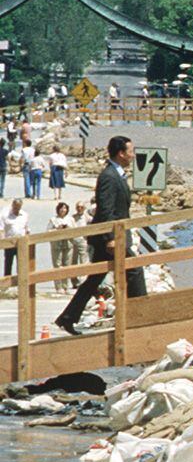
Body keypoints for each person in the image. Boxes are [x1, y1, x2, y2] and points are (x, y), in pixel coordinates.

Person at [56, 136, 146, 335]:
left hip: (115, 236)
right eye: (131, 151)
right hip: (110, 238)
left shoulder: (118, 174)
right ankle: (142, 316)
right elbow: (106, 211)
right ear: (121, 153)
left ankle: (67, 317)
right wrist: (111, 238)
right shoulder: (109, 176)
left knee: (95, 278)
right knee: (134, 270)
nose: (133, 155)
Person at [49, 201, 74, 294]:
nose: (63, 210)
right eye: (61, 208)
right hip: (57, 244)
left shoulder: (70, 219)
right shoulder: (53, 219)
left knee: (67, 264)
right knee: (57, 264)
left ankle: (65, 285)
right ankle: (58, 286)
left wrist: (68, 228)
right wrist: (57, 229)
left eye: (65, 208)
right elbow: (48, 231)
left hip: (68, 243)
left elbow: (76, 230)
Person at [2, 198, 26, 278]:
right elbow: (1, 229)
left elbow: (26, 227)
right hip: (10, 242)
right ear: (12, 205)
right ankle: (6, 284)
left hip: (21, 242)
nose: (17, 209)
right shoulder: (6, 215)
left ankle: (21, 281)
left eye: (19, 207)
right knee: (8, 263)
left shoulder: (24, 215)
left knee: (21, 263)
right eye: (15, 207)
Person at [70, 201, 90, 277]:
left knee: (83, 260)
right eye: (78, 207)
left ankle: (83, 279)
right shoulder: (72, 217)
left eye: (81, 207)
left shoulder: (87, 217)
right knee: (73, 261)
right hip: (73, 241)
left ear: (84, 208)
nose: (79, 209)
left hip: (83, 240)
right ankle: (75, 281)